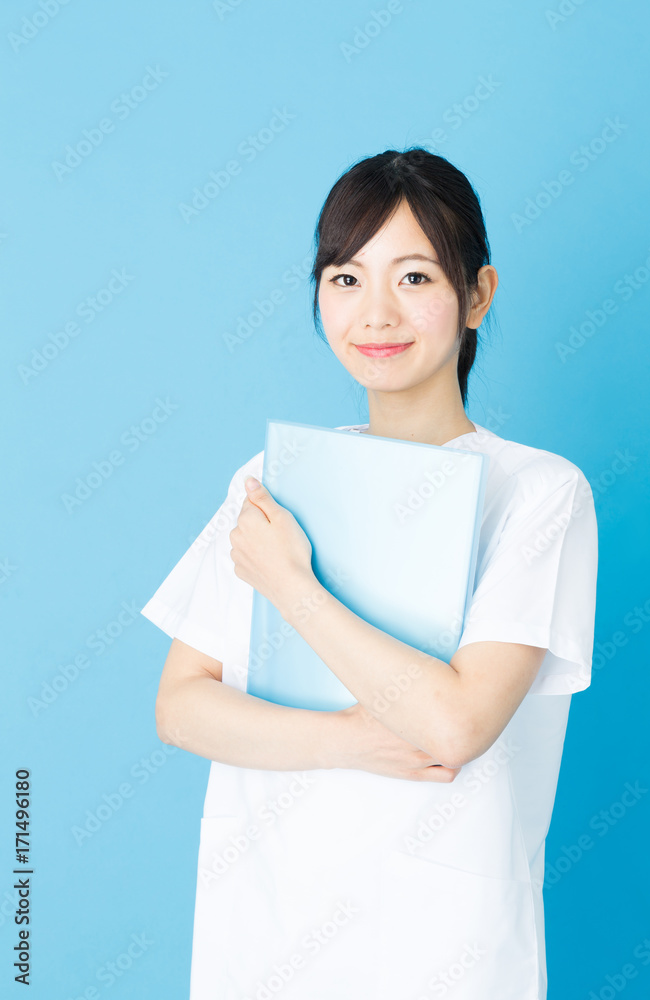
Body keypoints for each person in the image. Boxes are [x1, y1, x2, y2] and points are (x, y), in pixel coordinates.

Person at [141, 148, 598, 1000]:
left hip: (440, 949)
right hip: (266, 929)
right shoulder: (268, 480)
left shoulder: (538, 492)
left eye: (414, 277)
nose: (375, 313)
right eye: (344, 279)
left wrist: (295, 589)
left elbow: (455, 725)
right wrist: (349, 740)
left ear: (477, 295)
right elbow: (179, 705)